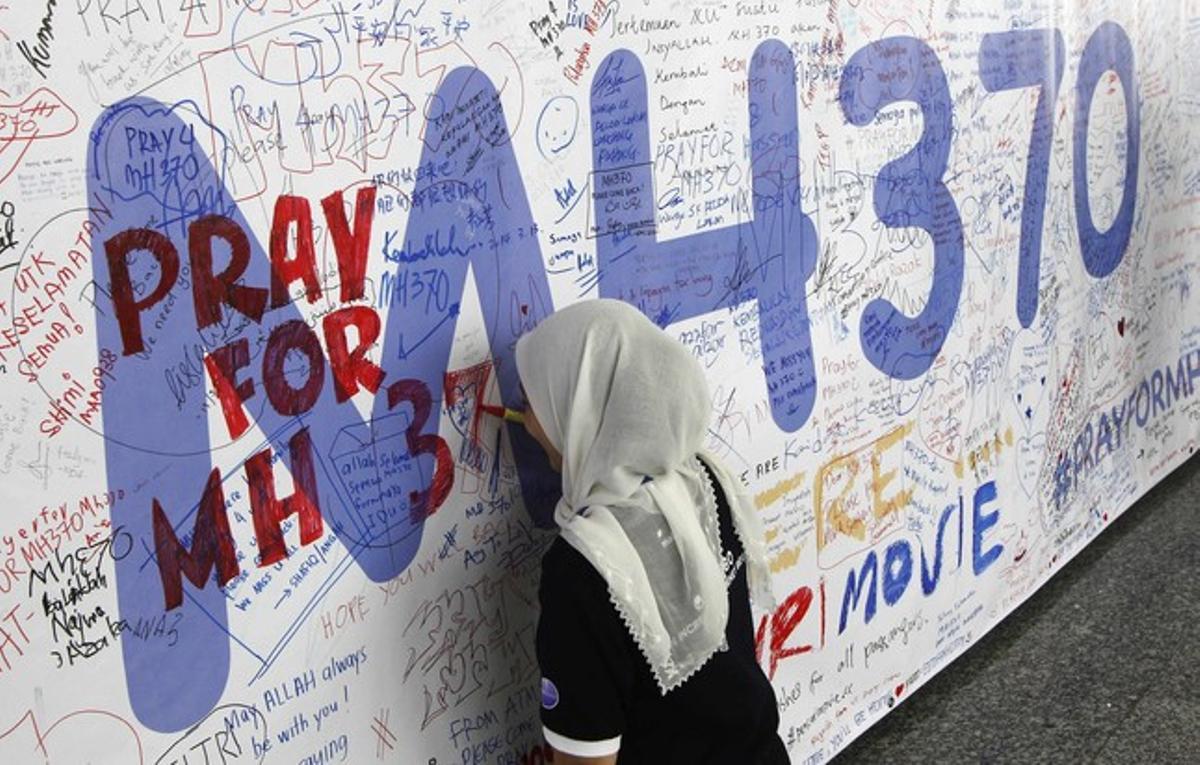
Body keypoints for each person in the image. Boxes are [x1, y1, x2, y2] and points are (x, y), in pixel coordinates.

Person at [514, 299, 789, 764]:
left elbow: (585, 761)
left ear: (582, 409)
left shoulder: (581, 570)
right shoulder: (702, 480)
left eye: (535, 401)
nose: (525, 420)